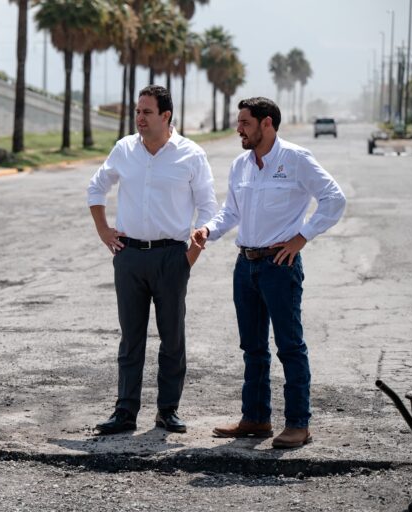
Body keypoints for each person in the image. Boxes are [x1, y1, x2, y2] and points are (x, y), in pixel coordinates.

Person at [191, 97, 346, 448]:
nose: (238, 129)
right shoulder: (240, 165)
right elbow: (231, 212)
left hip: (280, 265)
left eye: (245, 122)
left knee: (289, 346)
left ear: (267, 124)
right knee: (253, 347)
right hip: (245, 265)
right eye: (239, 121)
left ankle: (298, 424)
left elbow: (334, 199)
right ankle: (256, 418)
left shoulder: (295, 159)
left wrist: (302, 237)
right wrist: (207, 231)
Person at [87, 85, 218, 435]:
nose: (139, 118)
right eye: (137, 111)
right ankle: (125, 413)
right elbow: (96, 188)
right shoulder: (125, 149)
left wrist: (190, 253)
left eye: (146, 112)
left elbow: (208, 208)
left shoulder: (191, 154)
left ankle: (167, 411)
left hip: (171, 257)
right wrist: (103, 230)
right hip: (128, 256)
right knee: (131, 339)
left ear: (166, 116)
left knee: (172, 338)